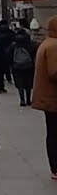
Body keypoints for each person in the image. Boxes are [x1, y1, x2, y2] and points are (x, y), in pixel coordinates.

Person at [28, 16, 57, 180]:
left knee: (52, 132)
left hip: (47, 97)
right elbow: (55, 73)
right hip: (53, 97)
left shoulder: (46, 43)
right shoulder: (54, 46)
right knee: (54, 133)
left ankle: (54, 166)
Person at [11, 28, 36, 106]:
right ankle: (28, 99)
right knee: (28, 83)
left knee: (20, 84)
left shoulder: (14, 45)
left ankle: (22, 100)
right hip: (28, 66)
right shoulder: (30, 44)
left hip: (17, 67)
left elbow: (8, 55)